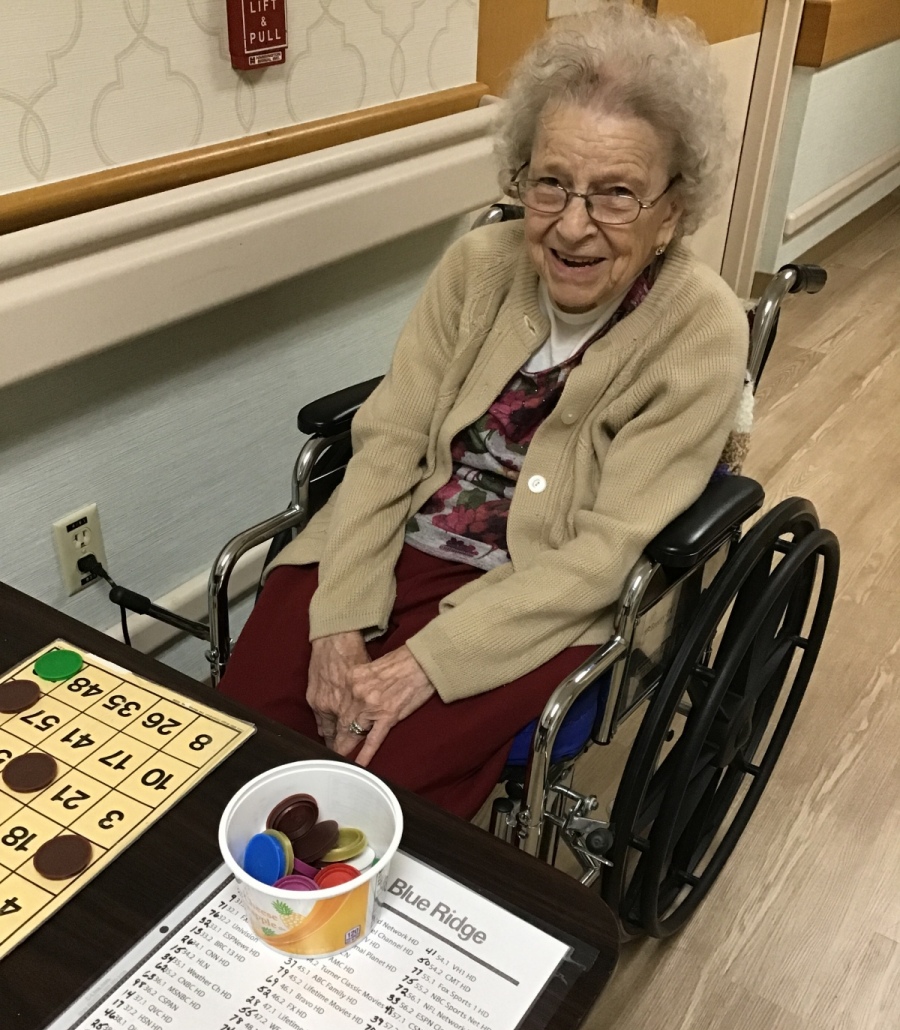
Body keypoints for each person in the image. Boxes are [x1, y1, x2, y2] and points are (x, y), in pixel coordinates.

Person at [218, 3, 749, 821]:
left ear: (671, 212)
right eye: (551, 183)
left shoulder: (700, 329)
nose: (574, 225)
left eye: (616, 195)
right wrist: (340, 620)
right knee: (238, 734)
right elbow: (390, 442)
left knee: (374, 798)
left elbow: (604, 553)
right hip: (389, 538)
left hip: (541, 594)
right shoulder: (476, 267)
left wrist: (421, 664)